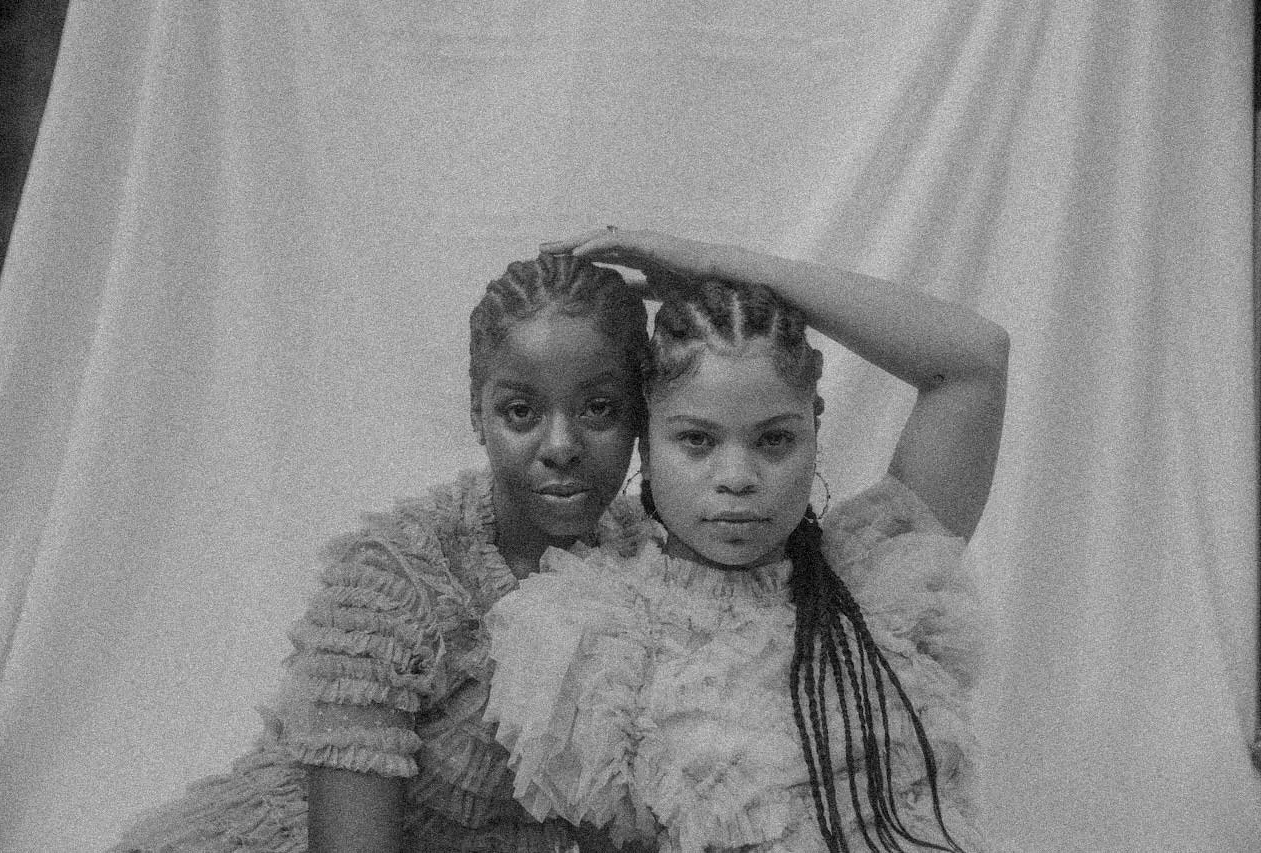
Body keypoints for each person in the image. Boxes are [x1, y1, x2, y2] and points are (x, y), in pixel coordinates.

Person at [109, 251, 655, 853]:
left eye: (599, 408)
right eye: (521, 411)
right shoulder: (397, 582)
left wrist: (708, 276)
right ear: (478, 414)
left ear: (641, 416)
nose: (561, 446)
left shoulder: (652, 556)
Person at [484, 230, 1009, 852]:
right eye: (697, 441)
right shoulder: (595, 635)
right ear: (647, 445)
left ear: (813, 428)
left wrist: (727, 267)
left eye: (774, 439)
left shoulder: (878, 572)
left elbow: (977, 359)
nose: (737, 479)